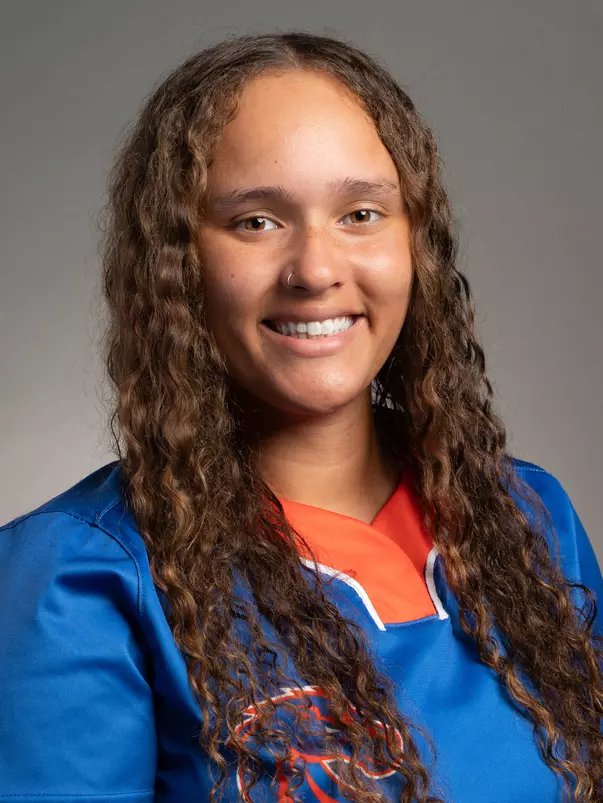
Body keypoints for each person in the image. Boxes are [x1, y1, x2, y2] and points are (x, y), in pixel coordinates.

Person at [0, 31, 601, 803]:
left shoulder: (528, 519)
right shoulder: (78, 578)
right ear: (176, 264)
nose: (316, 269)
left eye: (360, 212)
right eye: (256, 221)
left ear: (413, 241)